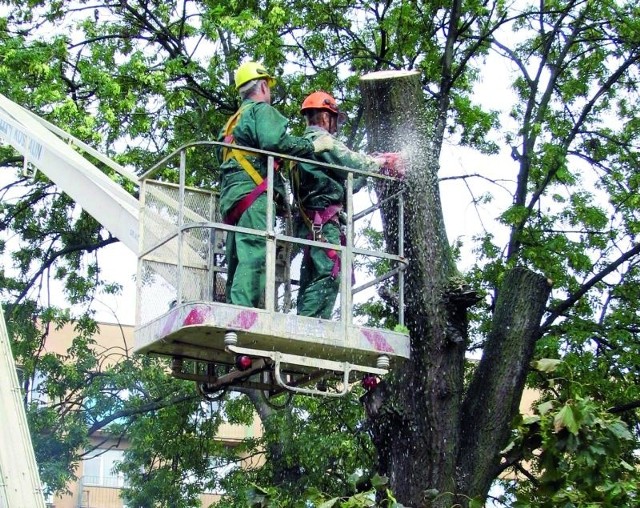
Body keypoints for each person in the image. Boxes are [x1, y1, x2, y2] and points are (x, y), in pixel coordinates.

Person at [217, 62, 334, 308]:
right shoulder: (261, 111)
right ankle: (240, 312)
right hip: (253, 195)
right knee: (255, 252)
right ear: (262, 85)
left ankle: (231, 308)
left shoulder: (232, 123)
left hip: (233, 197)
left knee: (237, 257)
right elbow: (274, 142)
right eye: (268, 86)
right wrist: (310, 147)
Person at [293, 91, 405, 319]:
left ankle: (307, 319)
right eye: (335, 119)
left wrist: (370, 168)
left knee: (313, 273)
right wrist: (382, 162)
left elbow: (348, 182)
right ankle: (312, 324)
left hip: (311, 222)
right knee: (329, 273)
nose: (336, 126)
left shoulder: (306, 147)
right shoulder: (322, 142)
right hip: (322, 221)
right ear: (326, 116)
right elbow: (352, 162)